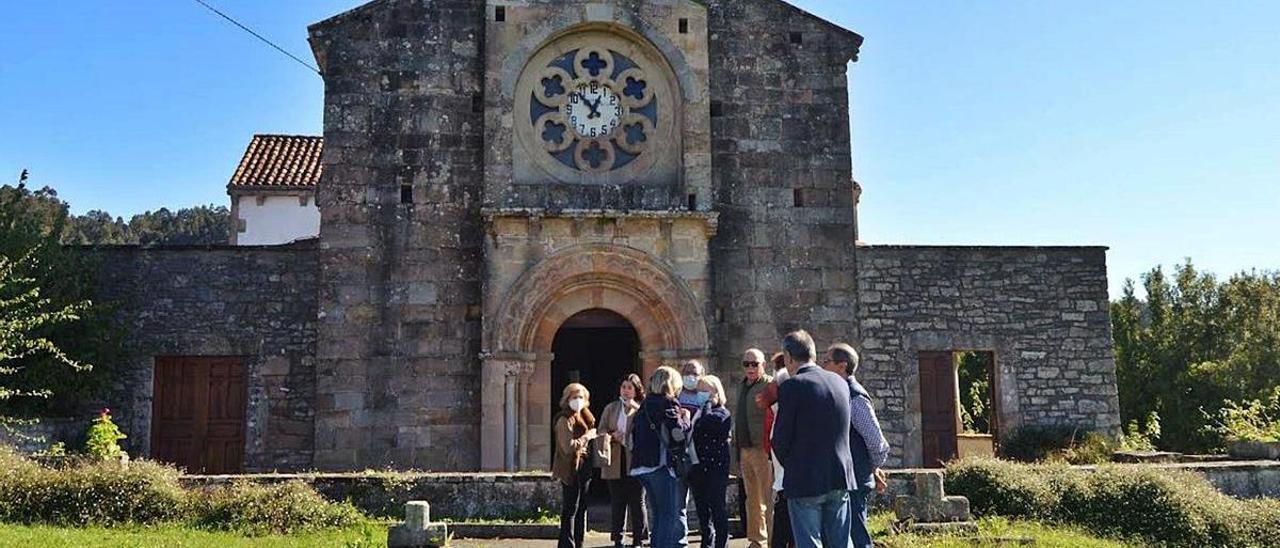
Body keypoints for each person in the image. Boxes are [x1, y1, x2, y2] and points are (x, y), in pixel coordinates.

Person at [771, 330, 855, 548]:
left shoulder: (792, 386)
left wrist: (793, 464)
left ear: (788, 357)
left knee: (809, 542)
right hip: (839, 474)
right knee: (840, 543)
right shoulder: (840, 383)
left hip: (805, 478)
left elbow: (780, 438)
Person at [824, 343, 889, 548]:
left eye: (827, 361)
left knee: (857, 535)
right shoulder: (840, 392)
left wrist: (872, 466)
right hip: (843, 477)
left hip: (855, 478)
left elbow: (876, 441)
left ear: (842, 366)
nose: (822, 365)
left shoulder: (855, 397)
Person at [630, 366, 694, 548]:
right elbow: (677, 434)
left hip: (641, 466)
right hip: (660, 465)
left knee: (658, 514)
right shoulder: (668, 403)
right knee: (668, 515)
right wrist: (686, 419)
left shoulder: (644, 405)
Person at [600, 374, 649, 548]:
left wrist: (636, 408)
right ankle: (618, 538)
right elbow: (601, 430)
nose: (626, 391)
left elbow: (647, 431)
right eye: (623, 387)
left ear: (636, 391)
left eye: (630, 388)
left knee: (637, 501)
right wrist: (612, 436)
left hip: (634, 461)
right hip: (615, 461)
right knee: (617, 501)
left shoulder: (642, 409)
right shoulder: (611, 408)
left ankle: (639, 538)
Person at [737, 348, 775, 548]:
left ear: (763, 365)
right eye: (747, 364)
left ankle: (772, 540)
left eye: (755, 364)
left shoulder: (769, 385)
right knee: (751, 499)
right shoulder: (742, 385)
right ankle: (756, 540)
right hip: (746, 449)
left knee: (768, 498)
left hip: (763, 450)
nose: (750, 368)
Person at [689, 374, 733, 548]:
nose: (701, 395)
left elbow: (710, 424)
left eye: (705, 391)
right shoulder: (697, 413)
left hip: (716, 467)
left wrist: (708, 404)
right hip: (698, 466)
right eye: (698, 391)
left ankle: (722, 543)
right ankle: (706, 541)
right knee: (702, 509)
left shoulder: (722, 413)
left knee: (717, 507)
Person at [553, 383, 597, 548]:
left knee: (581, 508)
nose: (578, 401)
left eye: (581, 397)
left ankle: (579, 543)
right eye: (574, 397)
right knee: (570, 508)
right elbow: (568, 446)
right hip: (569, 467)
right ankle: (567, 544)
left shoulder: (586, 417)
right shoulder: (564, 419)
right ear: (567, 399)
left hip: (584, 465)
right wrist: (587, 437)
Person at [763, 357, 795, 548]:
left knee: (784, 533)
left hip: (787, 482)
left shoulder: (781, 411)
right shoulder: (780, 411)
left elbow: (777, 444)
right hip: (787, 481)